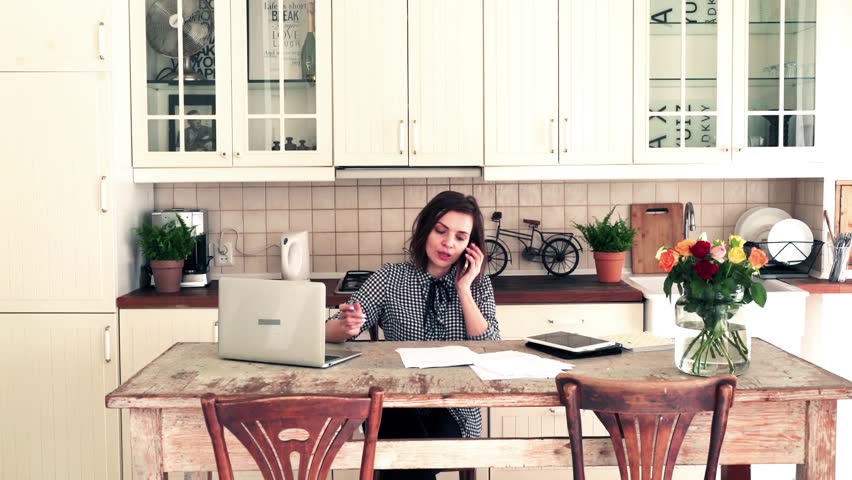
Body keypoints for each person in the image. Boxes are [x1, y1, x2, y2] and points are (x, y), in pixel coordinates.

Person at [325, 190, 499, 480]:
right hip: (394, 402)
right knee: (405, 457)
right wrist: (345, 326)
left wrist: (464, 289)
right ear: (425, 229)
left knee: (408, 462)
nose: (448, 243)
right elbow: (333, 327)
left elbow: (490, 347)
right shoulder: (391, 277)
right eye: (440, 231)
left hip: (454, 408)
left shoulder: (478, 285)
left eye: (460, 237)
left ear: (471, 245)